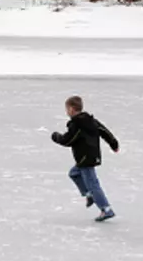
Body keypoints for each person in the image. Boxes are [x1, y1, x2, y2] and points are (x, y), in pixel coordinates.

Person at [51, 95, 119, 223]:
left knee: (93, 184)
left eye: (67, 109)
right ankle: (89, 195)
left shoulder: (78, 124)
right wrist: (113, 143)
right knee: (74, 173)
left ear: (71, 109)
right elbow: (104, 131)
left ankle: (106, 209)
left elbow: (68, 140)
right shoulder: (90, 120)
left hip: (85, 159)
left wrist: (56, 137)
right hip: (90, 157)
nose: (66, 112)